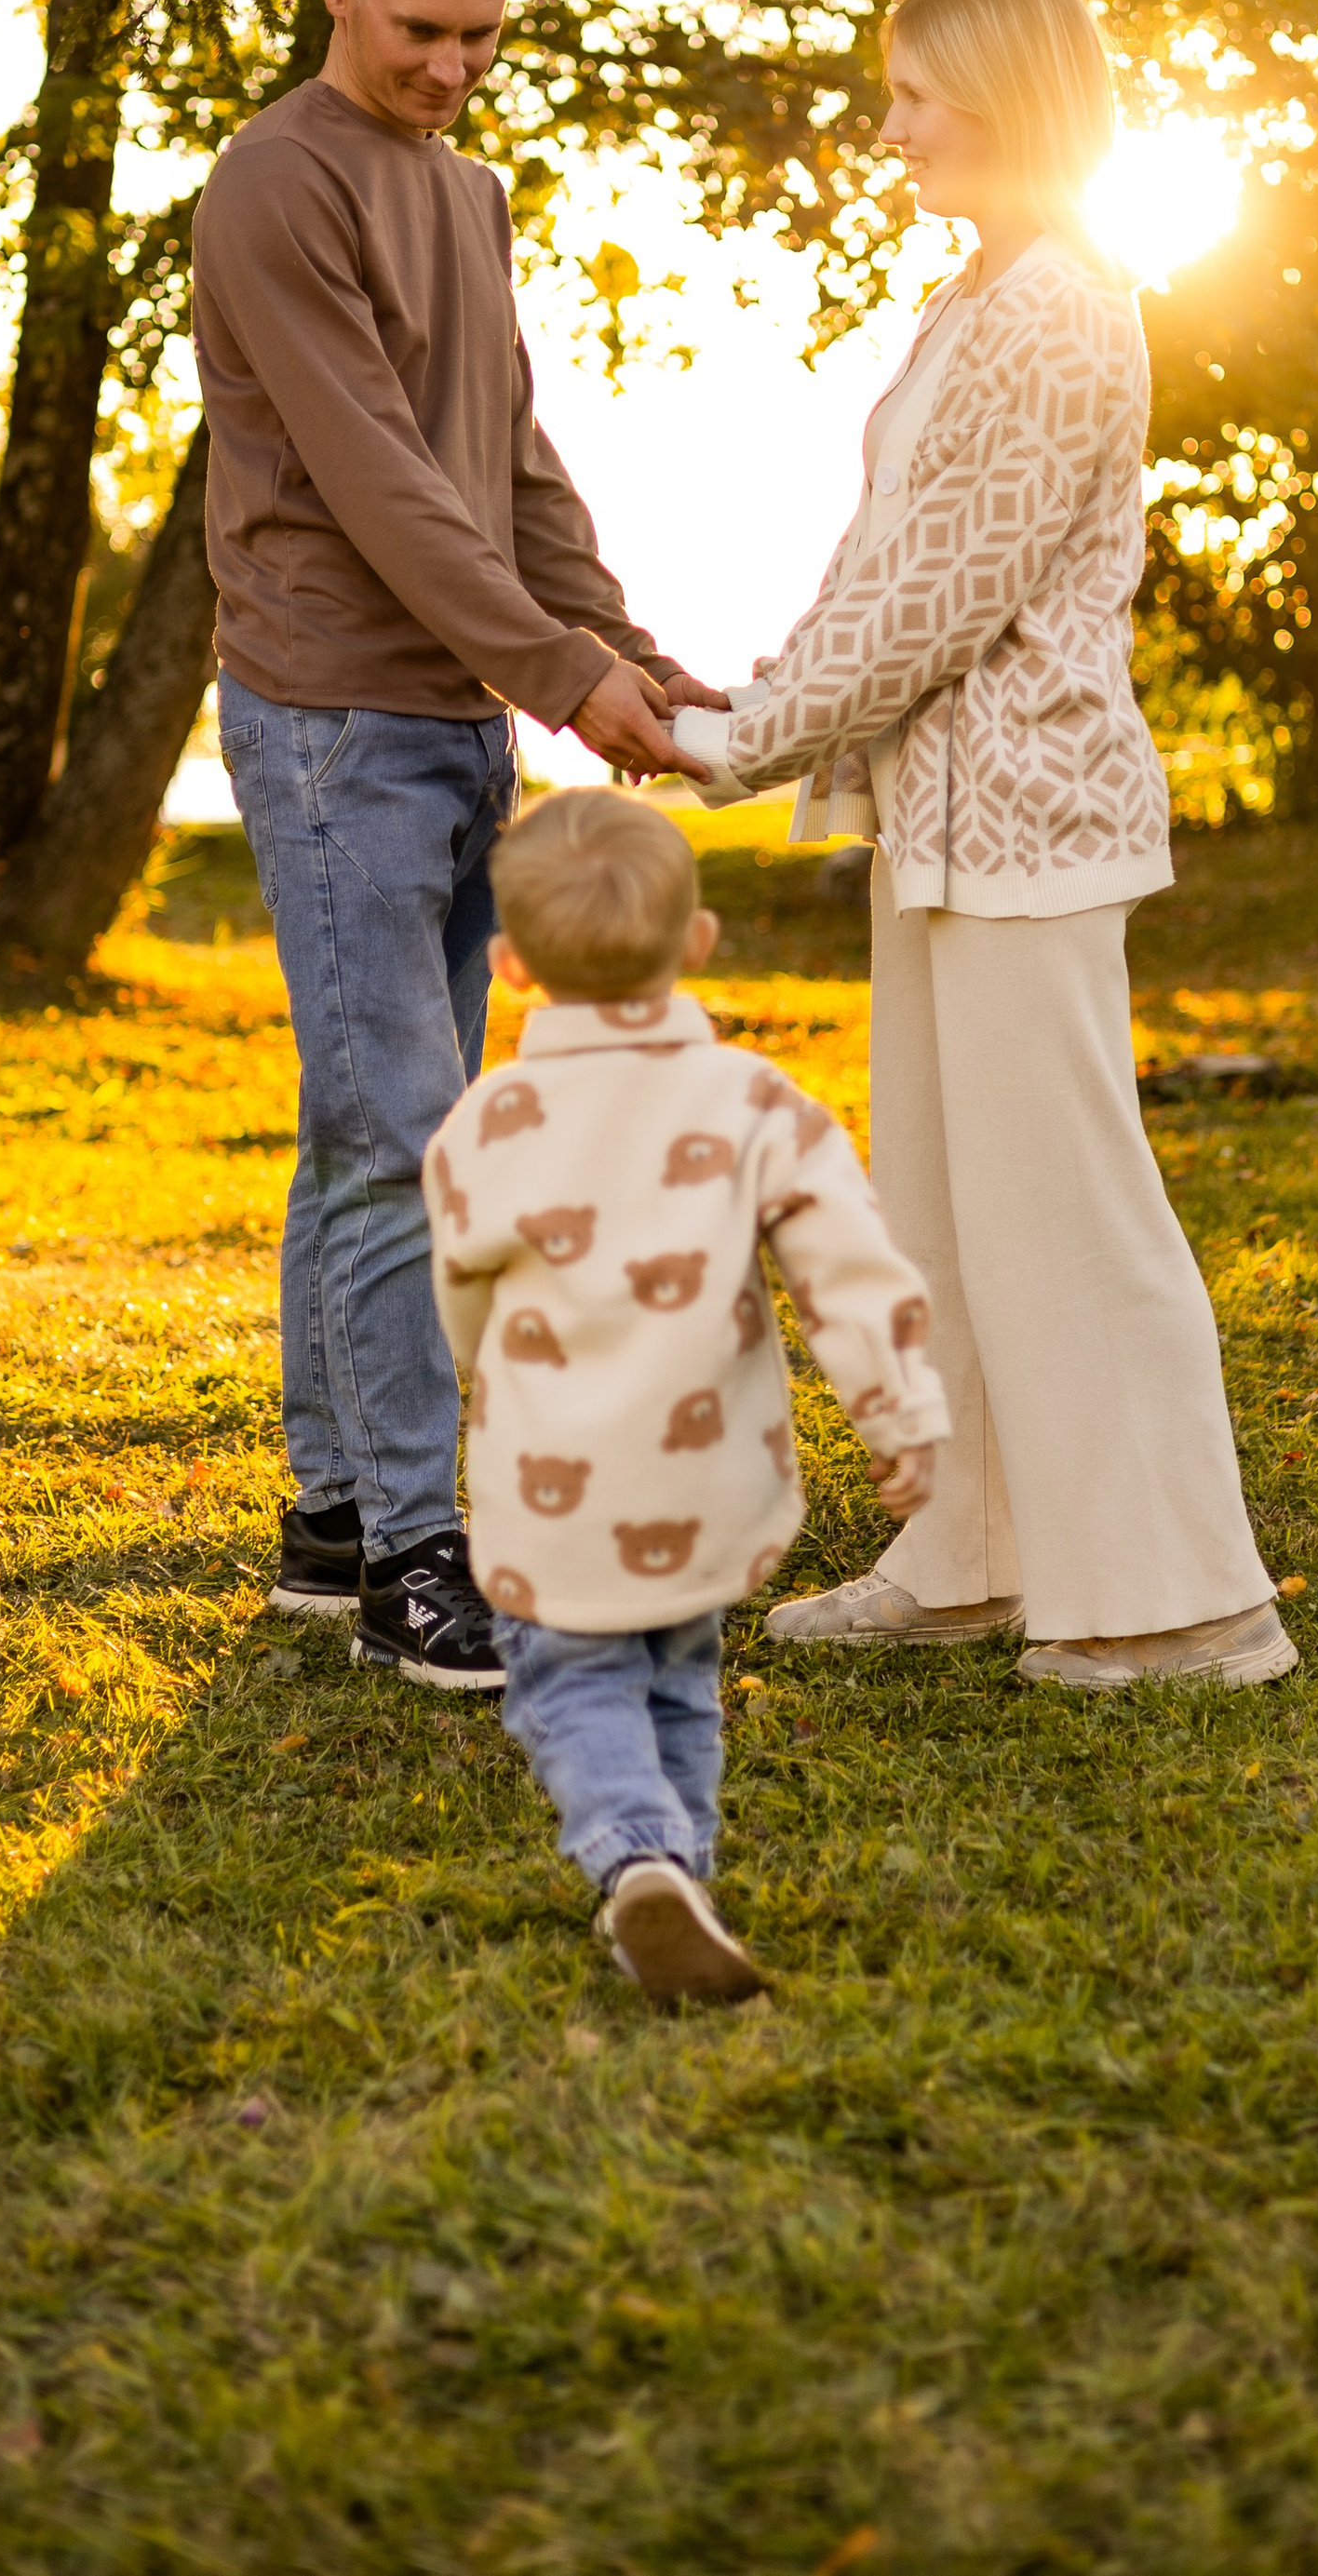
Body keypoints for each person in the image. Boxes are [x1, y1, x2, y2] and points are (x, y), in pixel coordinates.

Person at [670, 0, 1296, 1691]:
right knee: (945, 1216)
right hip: (938, 824)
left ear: (1004, 101)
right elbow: (881, 560)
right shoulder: (975, 297)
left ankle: (1185, 1605)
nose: (891, 130)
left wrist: (737, 742)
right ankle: (972, 1558)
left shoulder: (1063, 310)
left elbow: (941, 598)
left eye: (914, 96)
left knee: (1068, 1210)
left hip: (1032, 821)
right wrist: (737, 690)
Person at [193, 0, 721, 1689]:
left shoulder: (468, 191)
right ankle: (426, 1553)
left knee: (370, 1118)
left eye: (484, 36)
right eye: (422, 28)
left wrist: (624, 646)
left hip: (455, 720)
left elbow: (503, 458)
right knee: (406, 1136)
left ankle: (338, 1514)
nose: (450, 66)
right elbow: (379, 480)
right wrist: (566, 675)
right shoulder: (274, 182)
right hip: (332, 719)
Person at [427, 787, 948, 1998]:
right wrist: (899, 1409)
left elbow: (460, 1294)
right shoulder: (753, 1101)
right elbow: (847, 1259)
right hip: (706, 1478)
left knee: (573, 1678)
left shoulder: (486, 1124)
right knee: (678, 1669)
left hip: (554, 1487)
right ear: (699, 940)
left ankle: (638, 1861)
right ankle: (679, 1882)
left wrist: (488, 1377)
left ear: (509, 967)